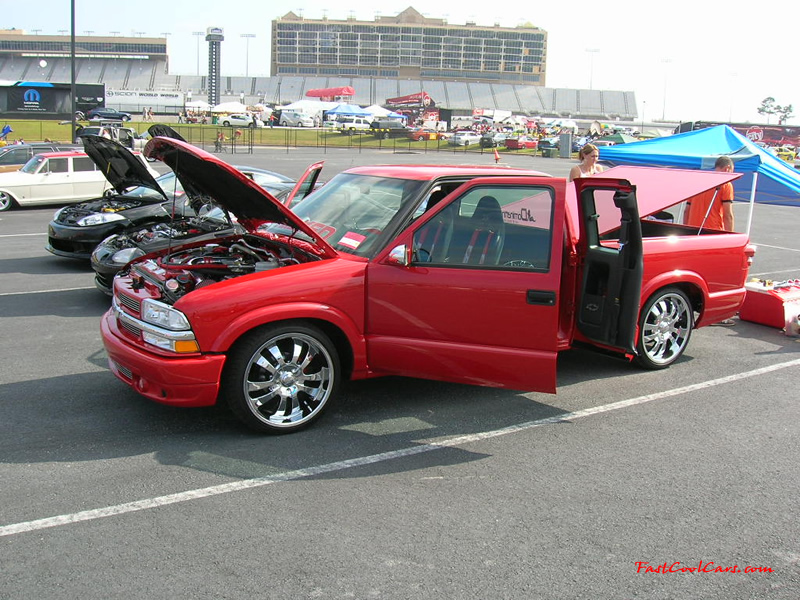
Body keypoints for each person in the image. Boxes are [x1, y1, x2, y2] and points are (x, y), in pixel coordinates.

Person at [682, 155, 735, 232]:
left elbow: (687, 211)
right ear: (727, 168)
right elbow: (727, 215)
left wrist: (685, 230)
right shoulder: (725, 184)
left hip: (692, 229)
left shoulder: (697, 183)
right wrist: (731, 237)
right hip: (712, 230)